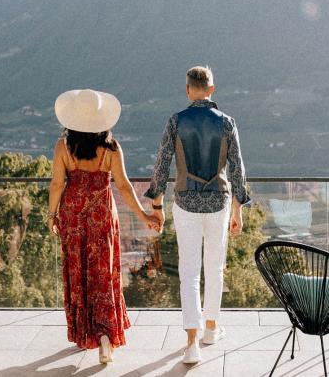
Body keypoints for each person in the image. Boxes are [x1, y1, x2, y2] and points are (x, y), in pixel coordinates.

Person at [145, 66, 250, 364]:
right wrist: (238, 209)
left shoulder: (176, 121)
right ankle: (211, 330)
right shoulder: (227, 123)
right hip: (218, 200)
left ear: (188, 89)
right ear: (212, 89)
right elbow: (237, 169)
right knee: (215, 268)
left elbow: (162, 165)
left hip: (186, 201)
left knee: (188, 273)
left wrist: (157, 205)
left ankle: (192, 344)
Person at [48, 88, 161, 364]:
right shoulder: (111, 148)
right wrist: (145, 215)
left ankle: (86, 331)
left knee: (79, 273)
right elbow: (122, 186)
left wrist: (52, 214)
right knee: (102, 272)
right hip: (101, 215)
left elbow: (56, 184)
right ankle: (105, 338)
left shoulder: (63, 146)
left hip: (73, 215)